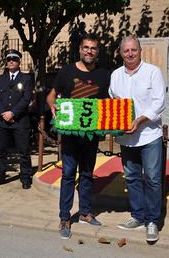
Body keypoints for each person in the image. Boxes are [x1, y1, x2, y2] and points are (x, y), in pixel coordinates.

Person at [46, 34, 110, 239]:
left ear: (97, 52)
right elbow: (51, 94)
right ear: (80, 50)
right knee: (68, 174)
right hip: (71, 134)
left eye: (93, 48)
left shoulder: (103, 75)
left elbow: (109, 102)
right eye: (86, 47)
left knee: (87, 174)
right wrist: (52, 105)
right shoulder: (67, 71)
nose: (89, 51)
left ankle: (85, 213)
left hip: (91, 135)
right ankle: (65, 217)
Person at [109, 35, 166, 242]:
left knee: (152, 178)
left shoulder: (153, 72)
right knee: (132, 178)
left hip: (149, 135)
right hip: (127, 138)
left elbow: (159, 103)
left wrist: (140, 120)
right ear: (121, 53)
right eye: (126, 51)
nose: (130, 54)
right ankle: (138, 216)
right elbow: (113, 101)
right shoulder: (115, 75)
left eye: (133, 50)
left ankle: (152, 221)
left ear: (140, 51)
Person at [0, 49, 34, 189]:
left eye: (14, 59)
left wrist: (12, 113)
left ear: (19, 62)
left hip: (19, 121)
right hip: (3, 121)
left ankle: (25, 178)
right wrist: (4, 113)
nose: (11, 62)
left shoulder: (26, 78)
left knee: (24, 151)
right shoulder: (1, 79)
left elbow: (26, 99)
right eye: (8, 60)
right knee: (1, 150)